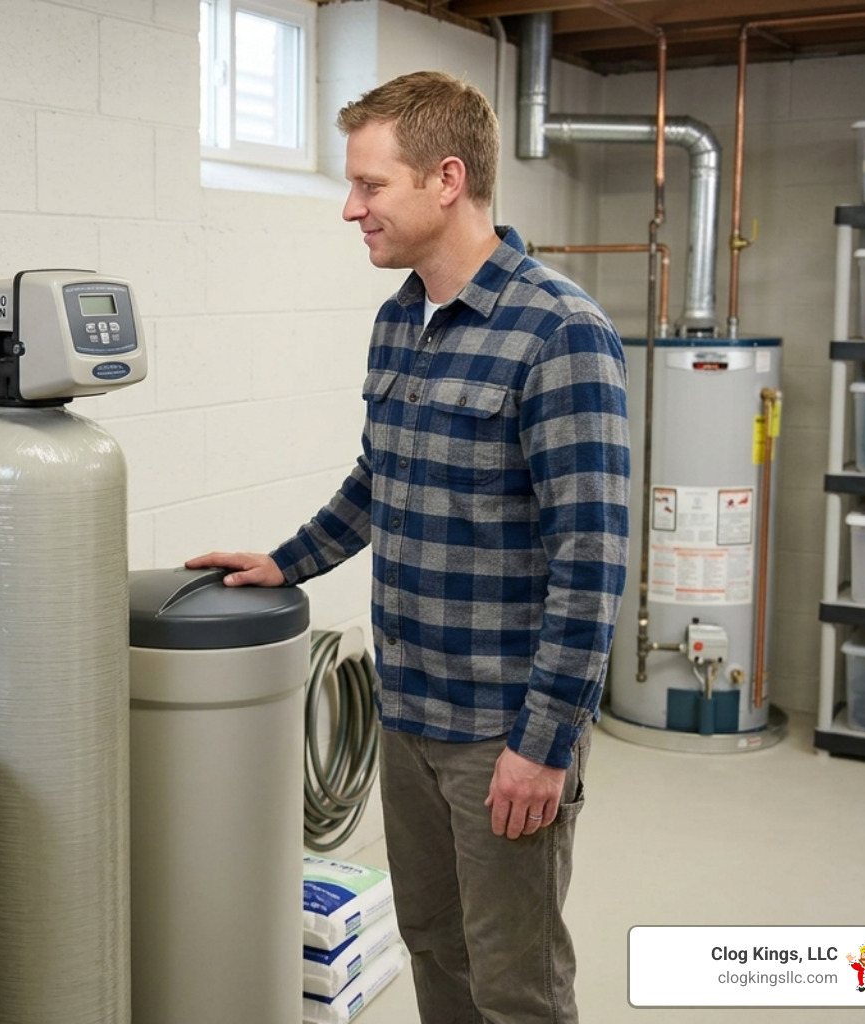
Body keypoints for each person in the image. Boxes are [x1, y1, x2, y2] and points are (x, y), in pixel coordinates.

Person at [188, 71, 630, 1024]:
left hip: (501, 729)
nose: (351, 209)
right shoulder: (401, 319)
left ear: (447, 180)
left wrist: (543, 745)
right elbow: (377, 477)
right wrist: (287, 561)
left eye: (370, 185)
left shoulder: (560, 332)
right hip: (409, 709)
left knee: (516, 983)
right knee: (433, 945)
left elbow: (592, 565)